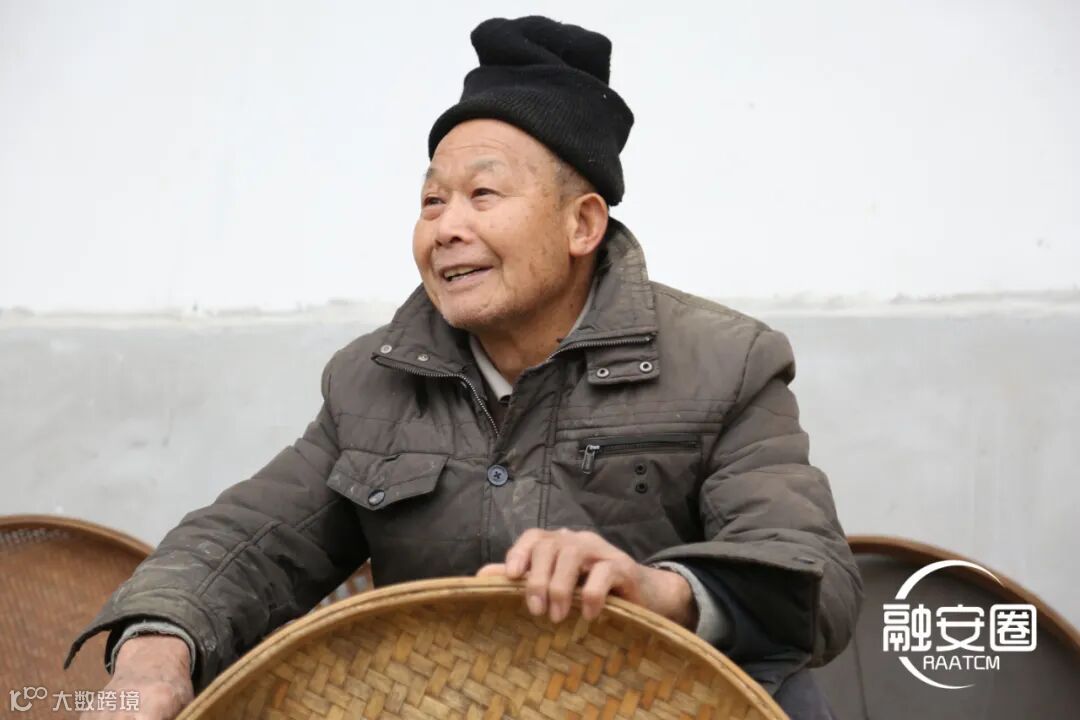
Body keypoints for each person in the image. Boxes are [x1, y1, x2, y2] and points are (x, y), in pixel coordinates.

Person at [69, 16, 862, 720]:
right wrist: (155, 652)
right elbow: (249, 540)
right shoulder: (371, 382)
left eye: (483, 194)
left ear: (582, 224)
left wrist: (659, 593)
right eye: (431, 202)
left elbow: (814, 577)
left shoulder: (726, 362)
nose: (446, 228)